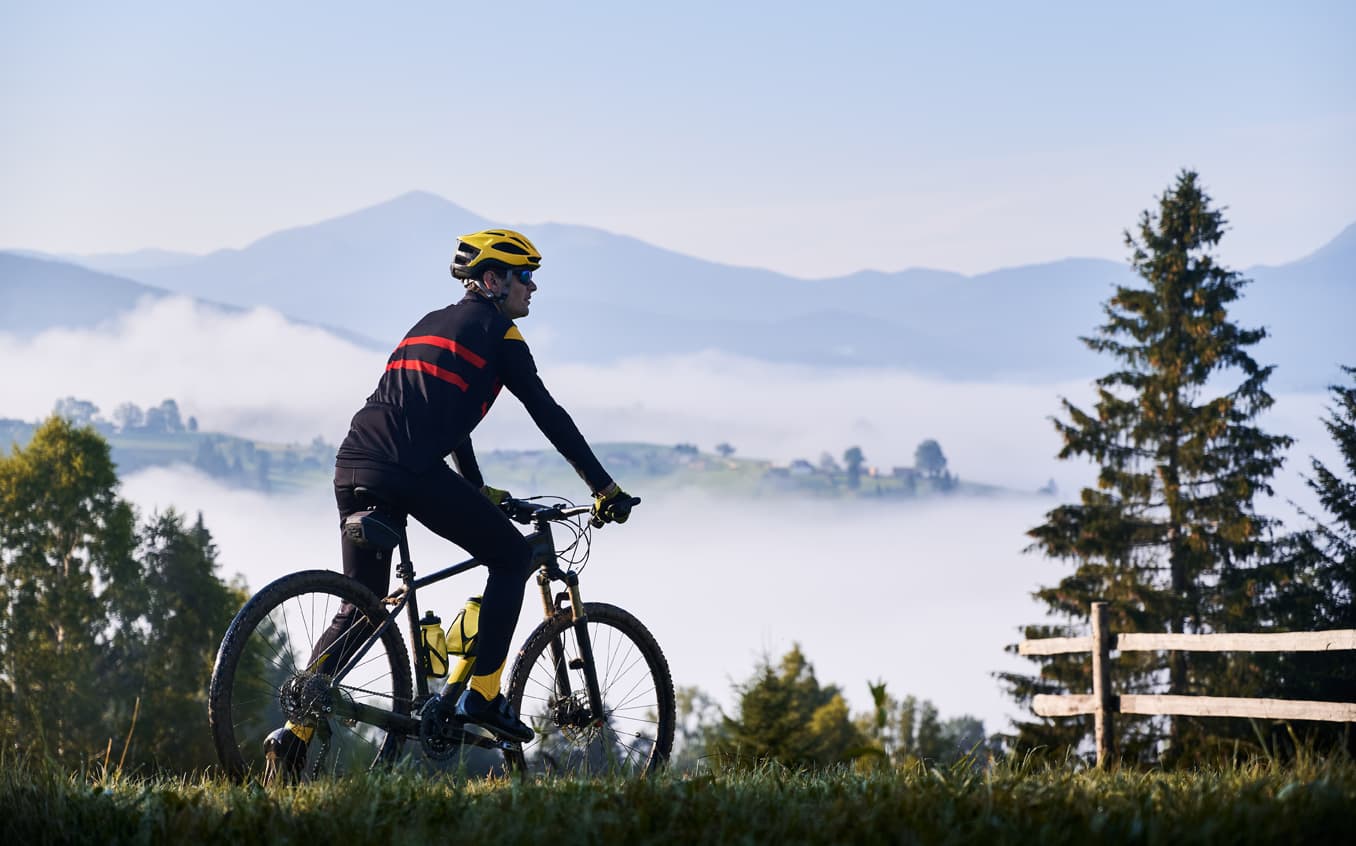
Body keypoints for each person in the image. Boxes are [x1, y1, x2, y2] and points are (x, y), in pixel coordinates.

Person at [264, 228, 634, 779]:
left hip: (353, 462)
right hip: (408, 469)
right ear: (491, 280)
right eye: (524, 276)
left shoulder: (428, 323)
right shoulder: (500, 334)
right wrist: (604, 488)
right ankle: (482, 696)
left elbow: (440, 410)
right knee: (511, 559)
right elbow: (548, 413)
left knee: (361, 606)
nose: (532, 288)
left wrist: (476, 485)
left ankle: (293, 736)